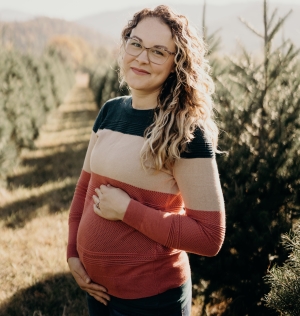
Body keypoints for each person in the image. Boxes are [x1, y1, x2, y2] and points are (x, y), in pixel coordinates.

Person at [67, 5, 226, 316]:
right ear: (125, 44)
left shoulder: (186, 132)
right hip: (96, 292)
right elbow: (84, 191)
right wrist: (73, 252)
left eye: (158, 52)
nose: (141, 58)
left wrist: (127, 210)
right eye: (136, 43)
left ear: (176, 63)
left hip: (152, 302)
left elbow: (209, 236)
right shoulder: (110, 112)